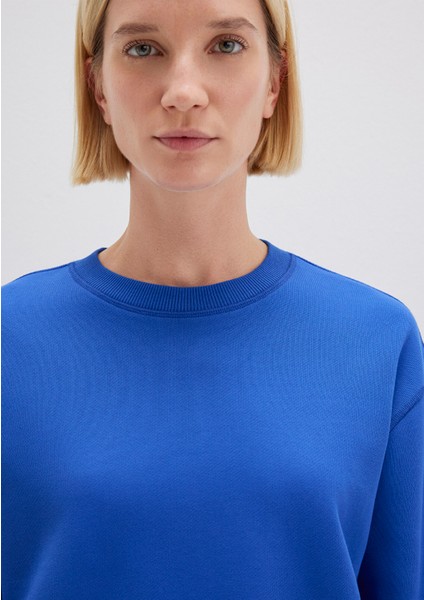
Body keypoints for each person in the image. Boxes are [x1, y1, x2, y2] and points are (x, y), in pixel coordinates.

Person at [2, 0, 423, 598]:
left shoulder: (378, 342)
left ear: (275, 82)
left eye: (226, 45)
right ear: (97, 87)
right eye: (142, 48)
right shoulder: (10, 341)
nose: (183, 92)